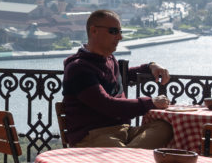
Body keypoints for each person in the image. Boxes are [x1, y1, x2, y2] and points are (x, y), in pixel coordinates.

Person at [62, 9, 173, 148]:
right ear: (94, 31)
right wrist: (150, 103)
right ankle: (127, 159)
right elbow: (107, 105)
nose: (120, 37)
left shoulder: (108, 60)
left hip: (122, 131)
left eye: (121, 32)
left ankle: (127, 159)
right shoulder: (78, 68)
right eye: (114, 31)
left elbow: (124, 74)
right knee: (118, 151)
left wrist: (151, 66)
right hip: (93, 135)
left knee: (164, 128)